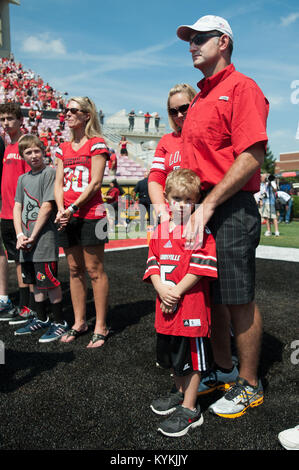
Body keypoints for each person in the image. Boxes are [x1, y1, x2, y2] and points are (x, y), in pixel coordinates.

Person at [176, 15, 268, 417]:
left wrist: (209, 205)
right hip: (202, 208)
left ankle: (251, 385)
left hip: (228, 206)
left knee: (237, 298)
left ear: (223, 41)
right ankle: (225, 370)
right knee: (210, 299)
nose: (192, 44)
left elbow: (252, 155)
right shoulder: (198, 99)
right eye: (189, 39)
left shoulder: (242, 87)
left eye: (200, 38)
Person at [143, 169, 217, 437]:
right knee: (173, 357)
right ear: (166, 199)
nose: (183, 205)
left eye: (189, 200)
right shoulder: (160, 230)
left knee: (194, 359)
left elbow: (200, 268)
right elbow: (152, 264)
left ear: (197, 201)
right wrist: (162, 290)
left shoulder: (200, 230)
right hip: (166, 309)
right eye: (177, 198)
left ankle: (190, 408)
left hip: (191, 309)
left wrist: (174, 293)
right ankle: (179, 392)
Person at [54, 96, 110, 348]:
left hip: (91, 214)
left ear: (87, 115)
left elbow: (96, 182)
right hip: (67, 214)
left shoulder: (97, 144)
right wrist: (60, 209)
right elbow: (58, 184)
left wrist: (73, 208)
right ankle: (80, 322)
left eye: (74, 110)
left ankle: (101, 325)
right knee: (74, 270)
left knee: (94, 270)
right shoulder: (61, 148)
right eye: (66, 110)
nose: (68, 113)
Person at [13, 134, 69, 342]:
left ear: (43, 151)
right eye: (28, 152)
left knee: (50, 283)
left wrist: (32, 236)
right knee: (34, 283)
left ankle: (59, 322)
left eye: (37, 150)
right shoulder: (22, 179)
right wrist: (20, 234)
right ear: (22, 156)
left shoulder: (50, 173)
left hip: (42, 240)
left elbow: (47, 206)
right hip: (25, 241)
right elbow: (17, 206)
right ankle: (42, 317)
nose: (34, 155)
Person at [0, 102, 36, 324]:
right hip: (6, 213)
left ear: (20, 120)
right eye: (2, 119)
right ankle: (24, 307)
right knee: (17, 261)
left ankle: (32, 307)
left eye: (10, 119)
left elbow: (31, 182)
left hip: (22, 214)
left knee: (28, 260)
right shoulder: (7, 146)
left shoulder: (25, 145)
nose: (6, 123)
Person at [148, 83, 197, 222]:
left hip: (202, 212)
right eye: (173, 111)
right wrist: (161, 212)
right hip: (172, 217)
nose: (179, 115)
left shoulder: (208, 136)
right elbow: (155, 179)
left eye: (184, 108)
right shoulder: (166, 141)